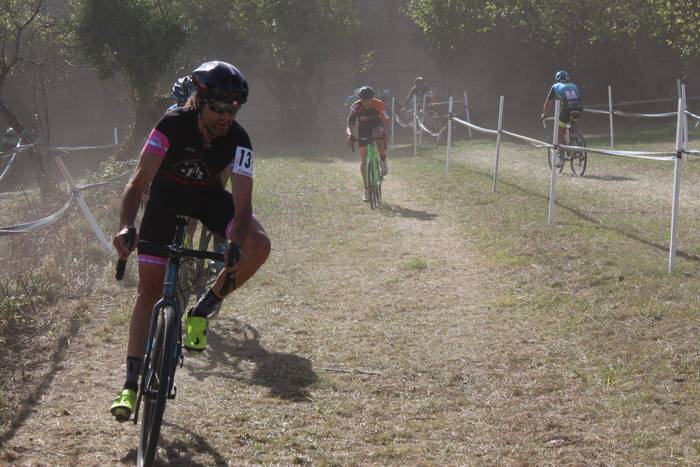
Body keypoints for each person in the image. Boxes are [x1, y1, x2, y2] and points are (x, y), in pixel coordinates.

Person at [109, 61, 271, 421]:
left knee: (259, 244)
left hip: (208, 199)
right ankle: (130, 385)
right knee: (149, 293)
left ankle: (203, 309)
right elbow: (138, 182)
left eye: (233, 109)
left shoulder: (240, 140)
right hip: (165, 201)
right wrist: (125, 226)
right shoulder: (171, 124)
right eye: (219, 107)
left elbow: (243, 205)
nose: (226, 116)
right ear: (199, 101)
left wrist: (235, 242)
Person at [345, 85, 389, 202]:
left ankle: (383, 160)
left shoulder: (379, 104)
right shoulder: (355, 107)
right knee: (364, 159)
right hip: (363, 129)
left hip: (377, 125)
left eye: (369, 99)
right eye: (364, 100)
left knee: (378, 133)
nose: (367, 102)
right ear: (360, 99)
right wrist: (350, 134)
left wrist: (386, 132)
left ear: (372, 98)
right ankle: (367, 189)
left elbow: (386, 119)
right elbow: (349, 124)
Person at [541, 70, 583, 168]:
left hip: (567, 108)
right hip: (579, 107)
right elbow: (575, 98)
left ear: (557, 79)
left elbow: (548, 102)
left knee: (560, 131)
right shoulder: (573, 85)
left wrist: (544, 114)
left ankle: (561, 157)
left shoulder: (555, 86)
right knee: (573, 123)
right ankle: (578, 141)